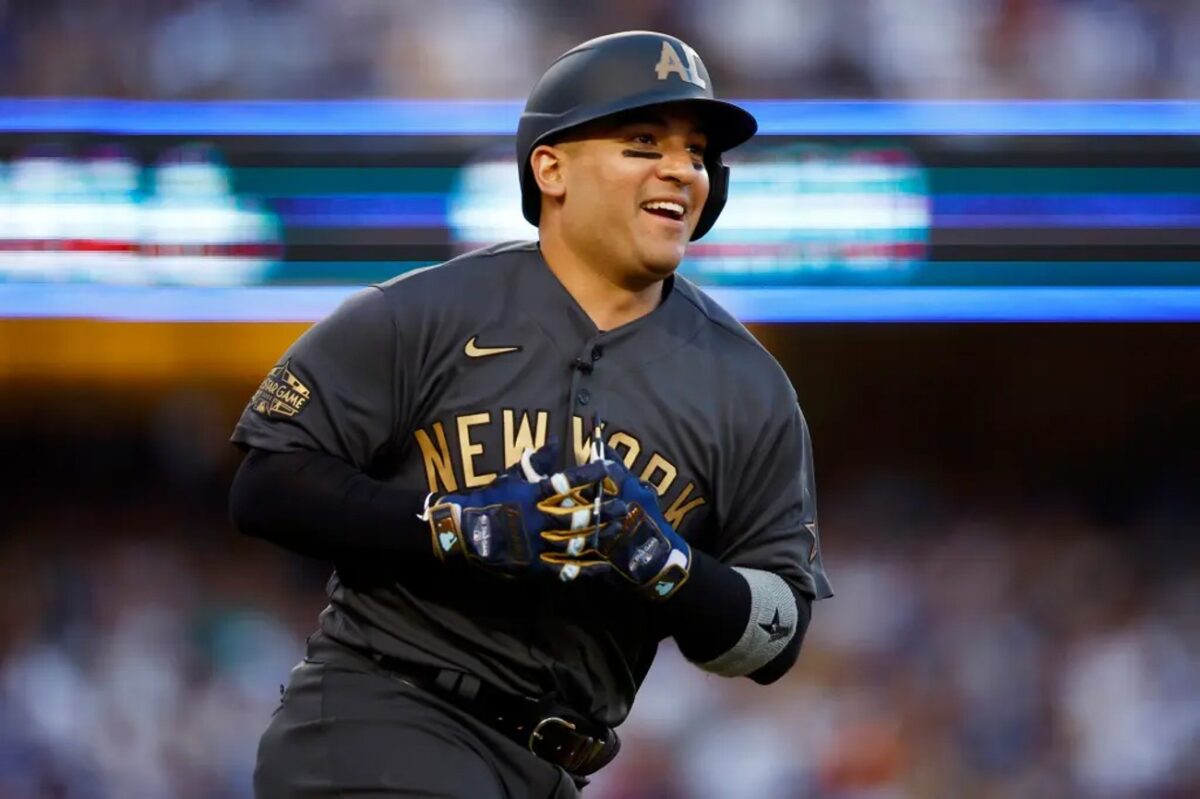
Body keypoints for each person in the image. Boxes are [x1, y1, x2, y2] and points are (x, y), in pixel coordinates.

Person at [228, 30, 833, 798]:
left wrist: (669, 566)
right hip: (380, 718)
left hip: (555, 770)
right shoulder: (423, 313)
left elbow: (775, 637)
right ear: (551, 168)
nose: (681, 168)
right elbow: (267, 485)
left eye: (696, 151)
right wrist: (460, 525)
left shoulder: (750, 387)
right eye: (644, 142)